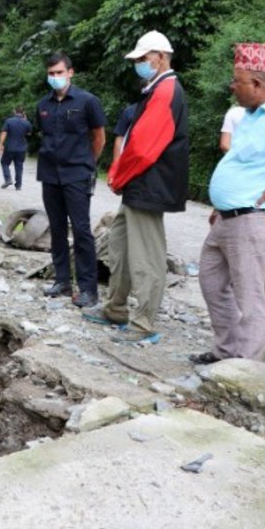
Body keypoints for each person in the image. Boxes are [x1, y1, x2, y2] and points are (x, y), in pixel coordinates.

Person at [83, 31, 189, 343]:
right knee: (120, 247)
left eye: (143, 58)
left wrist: (119, 175)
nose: (139, 64)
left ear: (160, 56)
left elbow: (143, 147)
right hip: (140, 185)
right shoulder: (155, 89)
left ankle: (144, 323)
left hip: (149, 184)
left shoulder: (166, 90)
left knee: (146, 257)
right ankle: (116, 308)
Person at [190, 42, 265, 364]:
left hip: (249, 219)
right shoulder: (247, 116)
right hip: (225, 217)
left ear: (258, 84)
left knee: (250, 297)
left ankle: (245, 369)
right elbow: (238, 162)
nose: (232, 86)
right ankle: (226, 351)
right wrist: (219, 201)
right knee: (210, 281)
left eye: (238, 81)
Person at [35, 53, 106, 307]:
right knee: (56, 229)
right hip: (49, 174)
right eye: (51, 73)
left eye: (59, 72)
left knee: (81, 230)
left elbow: (99, 137)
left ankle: (88, 288)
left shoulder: (88, 102)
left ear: (70, 72)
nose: (55, 77)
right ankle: (62, 281)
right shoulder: (43, 105)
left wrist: (88, 164)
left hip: (77, 174)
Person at [0, 106, 32, 190]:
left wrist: (0, 144)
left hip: (10, 147)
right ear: (23, 113)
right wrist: (25, 120)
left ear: (14, 111)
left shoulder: (9, 121)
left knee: (4, 163)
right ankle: (18, 185)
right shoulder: (26, 123)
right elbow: (29, 134)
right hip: (21, 149)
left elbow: (4, 133)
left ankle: (8, 179)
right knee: (19, 166)